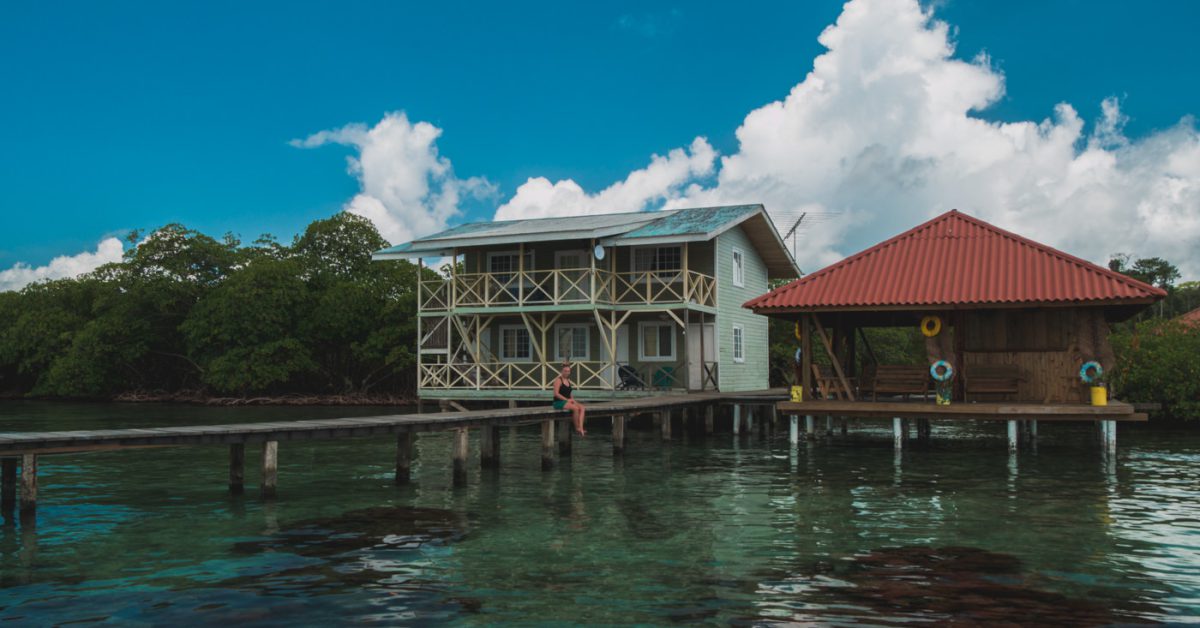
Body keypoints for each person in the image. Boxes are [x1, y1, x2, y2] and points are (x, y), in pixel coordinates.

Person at [553, 363, 587, 436]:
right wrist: (566, 400)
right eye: (565, 371)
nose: (567, 373)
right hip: (559, 402)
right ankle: (577, 428)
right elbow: (556, 394)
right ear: (561, 371)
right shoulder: (558, 380)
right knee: (575, 408)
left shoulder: (568, 380)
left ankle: (581, 428)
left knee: (582, 407)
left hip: (568, 401)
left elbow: (569, 392)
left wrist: (573, 400)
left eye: (568, 371)